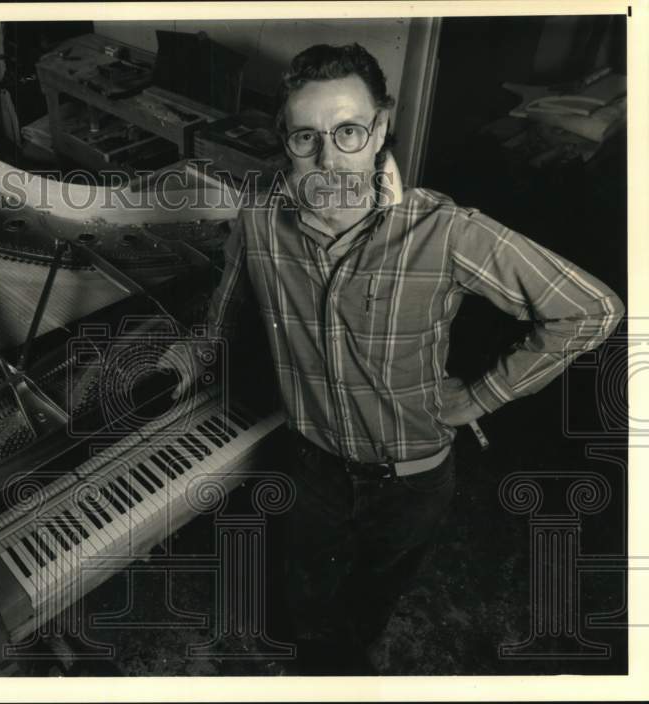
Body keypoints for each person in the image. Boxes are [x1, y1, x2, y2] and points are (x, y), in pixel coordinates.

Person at [159, 42, 624, 673]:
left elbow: (591, 308)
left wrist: (484, 396)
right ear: (285, 139)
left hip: (413, 481)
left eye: (349, 131)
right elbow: (222, 311)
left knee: (371, 602)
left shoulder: (446, 229)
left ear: (380, 128)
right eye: (306, 137)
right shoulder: (260, 219)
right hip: (311, 465)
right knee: (302, 595)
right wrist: (190, 353)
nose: (328, 159)